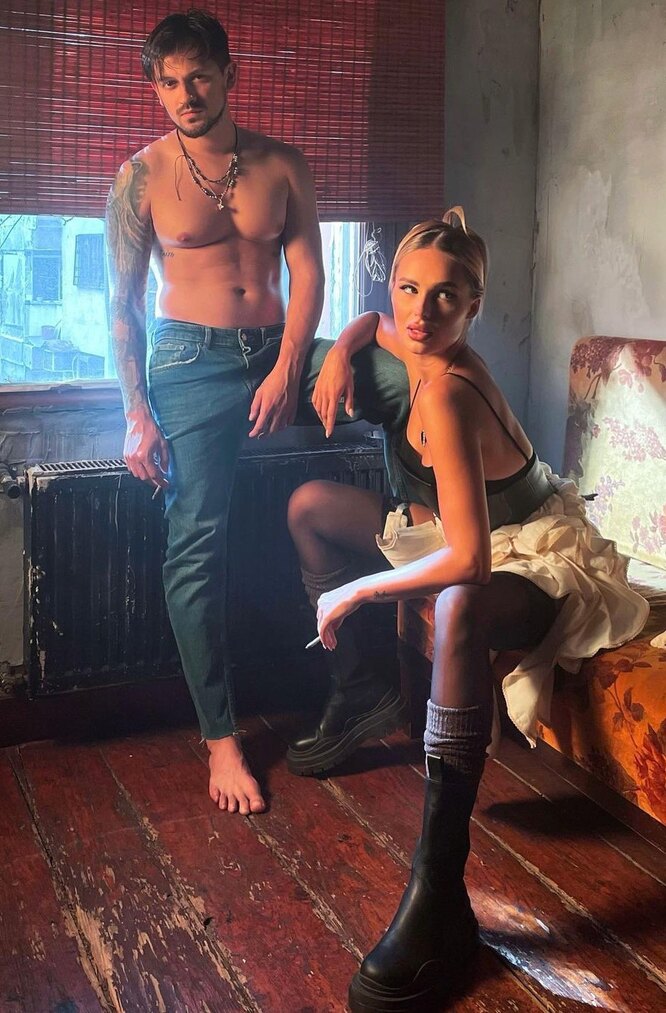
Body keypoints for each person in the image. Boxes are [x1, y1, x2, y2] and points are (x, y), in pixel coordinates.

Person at [286, 208, 649, 1010]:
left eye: (446, 297)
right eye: (409, 289)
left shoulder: (450, 392)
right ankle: (360, 691)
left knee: (457, 605)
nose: (421, 312)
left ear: (474, 306)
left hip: (534, 554)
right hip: (451, 533)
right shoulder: (407, 334)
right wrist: (341, 351)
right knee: (308, 504)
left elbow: (474, 562)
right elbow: (373, 322)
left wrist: (356, 589)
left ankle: (439, 886)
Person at [105, 9, 408, 817]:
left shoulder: (284, 164)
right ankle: (220, 736)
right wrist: (135, 412)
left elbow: (309, 274)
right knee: (196, 541)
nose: (185, 94)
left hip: (281, 347)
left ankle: (438, 529)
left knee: (397, 381)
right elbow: (122, 306)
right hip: (189, 362)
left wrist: (292, 365)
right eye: (169, 82)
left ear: (230, 76)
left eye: (199, 76)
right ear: (156, 88)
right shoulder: (139, 177)